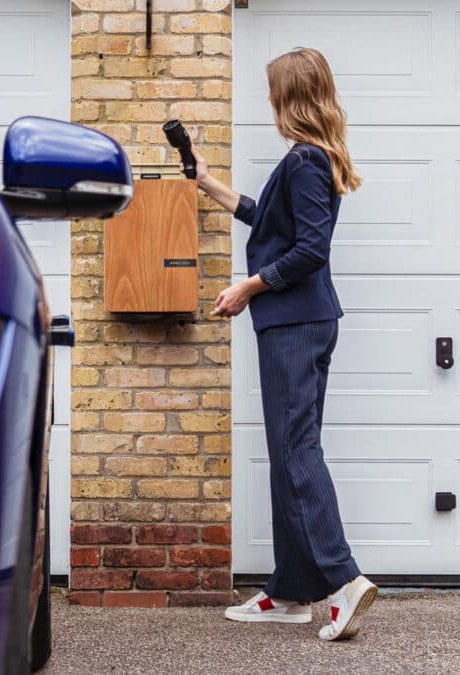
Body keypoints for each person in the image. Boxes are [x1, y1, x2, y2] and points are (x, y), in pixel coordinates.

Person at [189, 47, 377, 641]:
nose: (267, 99)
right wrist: (207, 182)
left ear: (288, 97)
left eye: (273, 90)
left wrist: (248, 286)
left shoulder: (304, 160)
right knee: (290, 451)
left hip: (295, 323)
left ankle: (344, 582)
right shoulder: (309, 160)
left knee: (296, 453)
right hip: (303, 322)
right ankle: (292, 592)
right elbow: (269, 222)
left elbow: (310, 249)